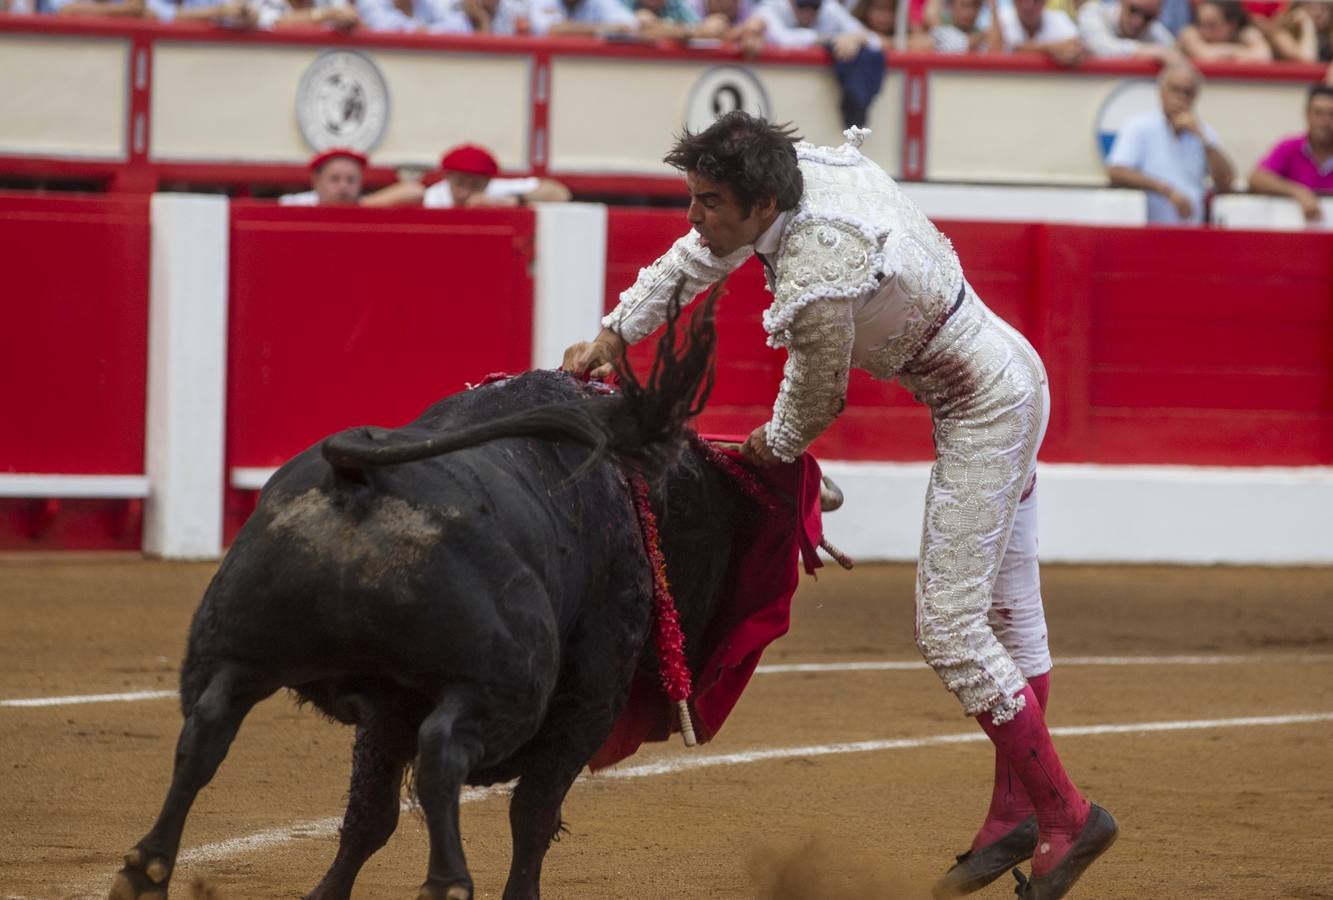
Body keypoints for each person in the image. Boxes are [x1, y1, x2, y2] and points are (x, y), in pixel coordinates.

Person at [562, 110, 1118, 900]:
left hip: (986, 409)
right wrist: (619, 333)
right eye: (693, 195)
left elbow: (816, 397)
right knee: (1008, 617)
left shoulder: (821, 260)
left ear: (760, 204)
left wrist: (772, 445)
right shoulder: (791, 189)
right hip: (1005, 378)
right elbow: (700, 253)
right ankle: (1013, 816)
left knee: (954, 632)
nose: (694, 214)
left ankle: (1066, 814)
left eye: (709, 200)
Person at [1106, 60, 1235, 224]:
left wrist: (1204, 139)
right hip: (1148, 229)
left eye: (1188, 92)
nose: (1180, 97)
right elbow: (1117, 171)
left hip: (1192, 230)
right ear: (1161, 92)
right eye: (1175, 90)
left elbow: (1226, 182)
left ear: (1195, 97)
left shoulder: (1204, 132)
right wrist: (1167, 191)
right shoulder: (1139, 126)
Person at [746, 0, 886, 127]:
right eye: (802, 4)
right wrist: (832, 39)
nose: (809, 11)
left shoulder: (829, 7)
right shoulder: (770, 7)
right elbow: (782, 39)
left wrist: (856, 38)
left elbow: (874, 41)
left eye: (815, 6)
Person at [364, 144, 573, 208]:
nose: (465, 192)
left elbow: (560, 193)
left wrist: (514, 201)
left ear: (487, 182)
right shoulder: (436, 197)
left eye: (475, 185)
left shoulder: (498, 191)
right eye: (460, 183)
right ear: (448, 177)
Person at [1247, 83, 1333, 223]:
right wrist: (1298, 192)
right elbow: (1257, 178)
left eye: (1331, 114)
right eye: (1318, 113)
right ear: (1307, 115)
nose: (1325, 121)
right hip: (1292, 239)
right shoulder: (1289, 147)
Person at [1077, 0, 1177, 59]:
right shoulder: (1093, 13)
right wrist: (1155, 52)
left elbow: (1173, 54)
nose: (1138, 21)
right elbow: (1101, 48)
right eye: (1134, 10)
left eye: (1148, 16)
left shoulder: (1155, 29)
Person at [1178, 0, 1273, 61]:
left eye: (1212, 25)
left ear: (1231, 25)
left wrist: (1225, 53)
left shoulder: (1245, 32)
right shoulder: (1189, 32)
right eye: (1200, 23)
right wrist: (1240, 51)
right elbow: (1205, 55)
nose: (1204, 31)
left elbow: (1263, 56)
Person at [998, 0, 1084, 63]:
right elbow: (998, 53)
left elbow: (1075, 46)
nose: (1028, 5)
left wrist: (1027, 48)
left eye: (1036, 0)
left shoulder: (1059, 18)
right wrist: (1054, 50)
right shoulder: (1001, 19)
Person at [278, 148, 367, 206]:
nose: (343, 186)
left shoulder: (368, 206)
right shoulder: (294, 206)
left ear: (360, 183)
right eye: (335, 179)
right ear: (317, 182)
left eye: (351, 180)